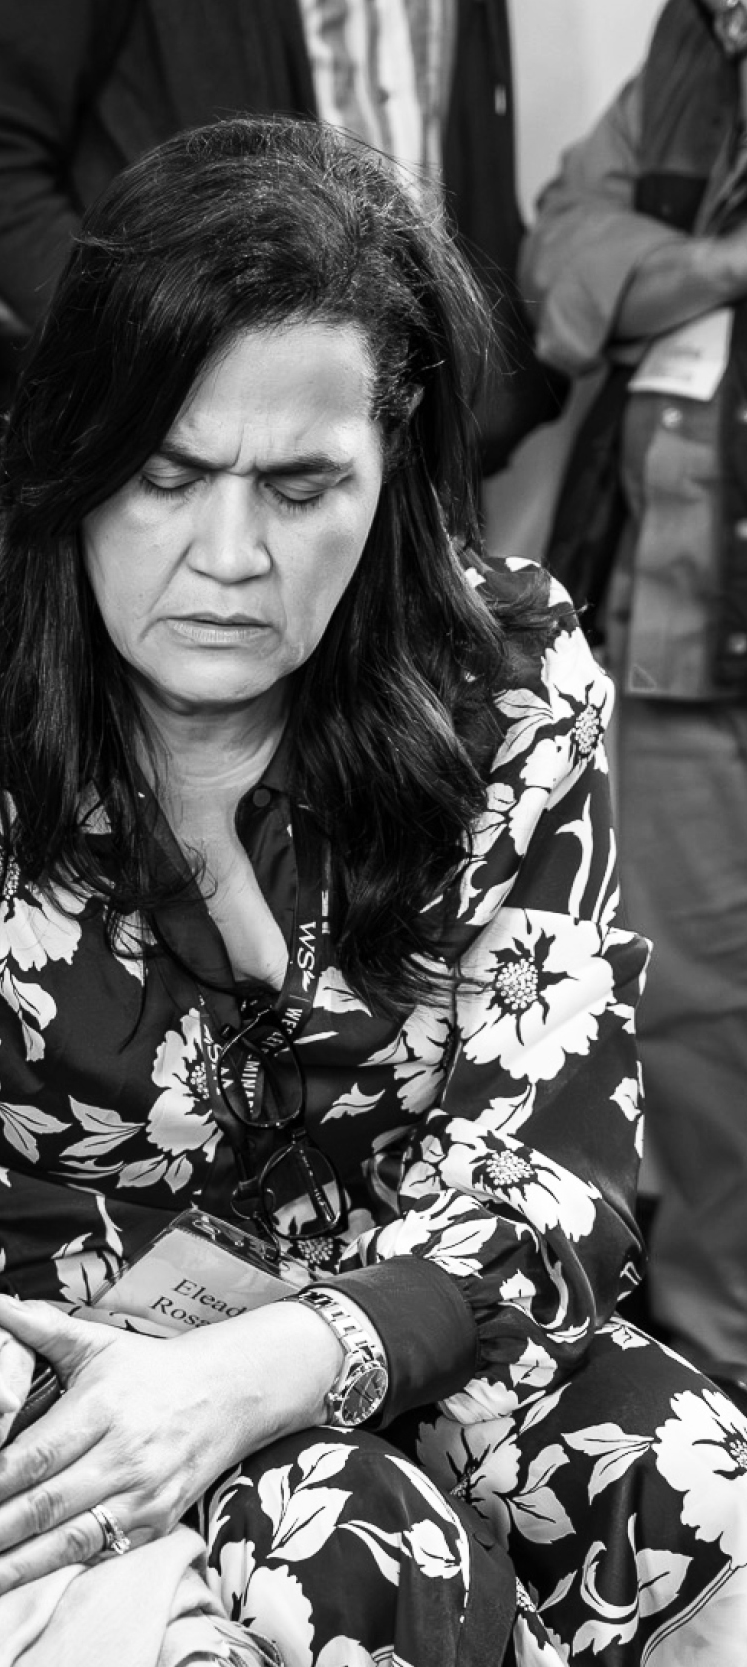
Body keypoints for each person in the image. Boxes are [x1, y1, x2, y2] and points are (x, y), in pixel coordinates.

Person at [0, 117, 747, 1663]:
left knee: (694, 1473)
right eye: (167, 477)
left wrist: (281, 1360)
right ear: (77, 454)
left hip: (409, 1315)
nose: (227, 554)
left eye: (300, 487)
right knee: (363, 1551)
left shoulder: (504, 680)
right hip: (52, 1363)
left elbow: (553, 1171)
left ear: (397, 466)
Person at [522, 0, 747, 1411]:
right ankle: (720, 1367)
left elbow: (613, 272)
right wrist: (722, 265)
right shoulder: (680, 75)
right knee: (685, 1025)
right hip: (664, 630)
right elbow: (565, 250)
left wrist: (663, 279)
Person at [0, 0, 559, 475]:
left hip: (418, 453)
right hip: (182, 454)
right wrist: (156, 344)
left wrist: (495, 384)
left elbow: (443, 167)